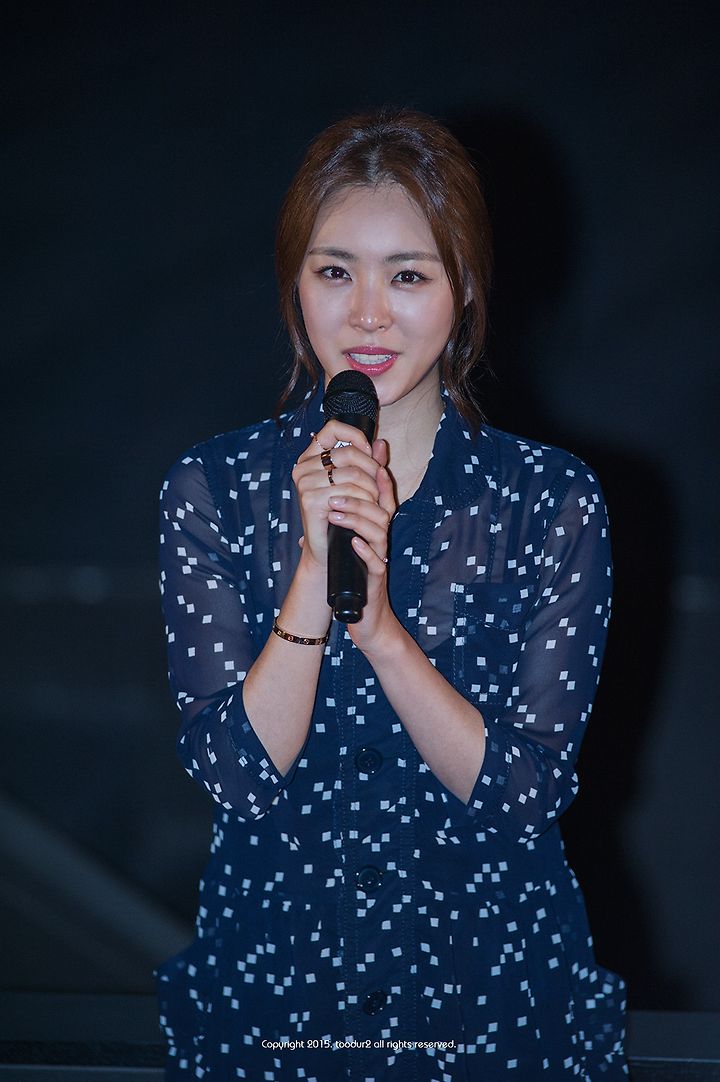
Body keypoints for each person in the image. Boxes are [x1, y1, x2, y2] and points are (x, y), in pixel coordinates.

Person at [156, 108, 627, 1081]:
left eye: (407, 275)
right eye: (336, 272)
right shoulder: (215, 488)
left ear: (465, 287)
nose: (368, 313)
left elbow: (526, 795)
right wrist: (312, 576)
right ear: (294, 286)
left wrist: (381, 634)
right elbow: (235, 777)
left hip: (488, 997)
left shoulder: (548, 500)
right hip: (279, 991)